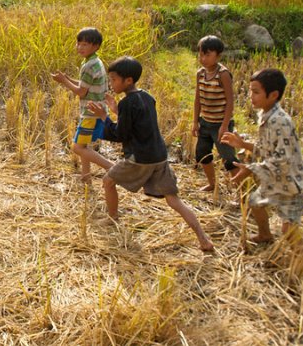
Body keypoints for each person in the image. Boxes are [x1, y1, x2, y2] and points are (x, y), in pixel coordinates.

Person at [88, 57, 214, 252]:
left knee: (108, 181)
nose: (111, 84)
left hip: (140, 158)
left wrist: (104, 117)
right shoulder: (147, 97)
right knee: (174, 200)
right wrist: (116, 110)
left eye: (113, 80)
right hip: (159, 155)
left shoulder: (127, 104)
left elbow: (120, 134)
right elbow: (138, 122)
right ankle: (203, 238)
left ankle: (112, 217)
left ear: (128, 80)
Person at [221, 69, 303, 249]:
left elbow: (283, 160)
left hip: (293, 182)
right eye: (250, 91)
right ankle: (265, 235)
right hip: (276, 178)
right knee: (256, 201)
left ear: (273, 95)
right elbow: (266, 148)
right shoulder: (265, 114)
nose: (250, 96)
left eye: (256, 92)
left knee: (288, 230)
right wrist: (243, 144)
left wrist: (251, 169)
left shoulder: (280, 121)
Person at [51, 27, 113, 183]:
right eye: (78, 43)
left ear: (96, 46)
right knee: (85, 146)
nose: (80, 47)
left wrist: (64, 81)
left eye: (85, 44)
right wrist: (68, 78)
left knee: (78, 148)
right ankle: (86, 178)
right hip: (96, 110)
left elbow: (81, 92)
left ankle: (111, 166)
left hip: (90, 113)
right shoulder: (94, 62)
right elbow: (86, 85)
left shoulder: (89, 66)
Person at [193, 35, 239, 193]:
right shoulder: (200, 73)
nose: (203, 58)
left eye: (207, 55)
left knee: (228, 159)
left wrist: (225, 126)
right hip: (205, 122)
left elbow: (230, 101)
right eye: (201, 54)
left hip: (220, 124)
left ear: (218, 56)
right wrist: (195, 122)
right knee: (202, 154)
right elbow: (198, 99)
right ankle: (212, 184)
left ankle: (241, 190)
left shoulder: (223, 74)